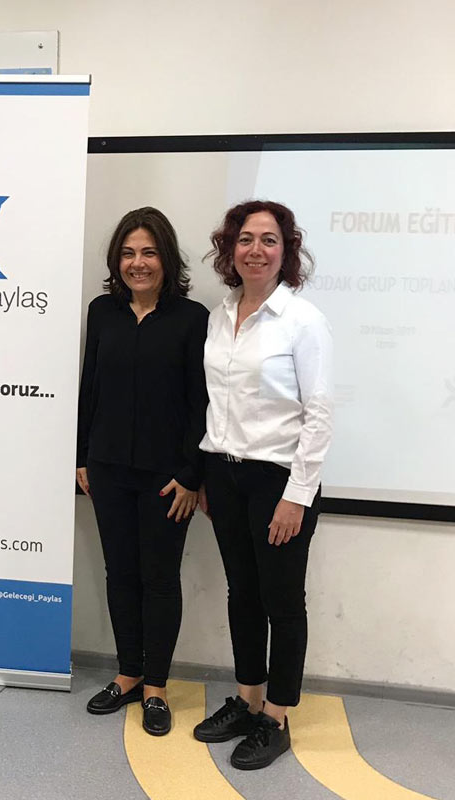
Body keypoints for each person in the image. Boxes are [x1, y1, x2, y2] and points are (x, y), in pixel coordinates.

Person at [192, 200, 333, 769]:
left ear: (285, 251)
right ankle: (248, 700)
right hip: (224, 476)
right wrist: (209, 472)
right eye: (246, 239)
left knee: (282, 602)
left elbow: (319, 414)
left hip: (278, 481)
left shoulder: (303, 320)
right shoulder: (220, 314)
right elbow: (216, 401)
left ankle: (276, 717)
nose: (256, 250)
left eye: (269, 240)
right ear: (230, 249)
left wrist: (297, 496)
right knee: (242, 594)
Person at [77, 207, 208, 736]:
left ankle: (156, 687)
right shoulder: (102, 311)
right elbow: (90, 386)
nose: (138, 263)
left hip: (167, 478)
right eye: (128, 253)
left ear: (166, 258)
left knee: (159, 579)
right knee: (120, 575)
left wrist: (192, 474)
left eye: (149, 252)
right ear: (117, 260)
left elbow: (202, 404)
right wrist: (82, 457)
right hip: (108, 469)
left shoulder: (192, 318)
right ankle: (128, 674)